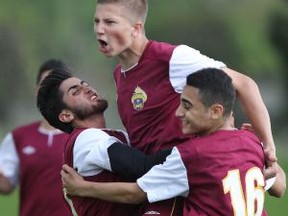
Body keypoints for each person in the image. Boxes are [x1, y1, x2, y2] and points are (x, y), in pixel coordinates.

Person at [60, 68, 286, 215]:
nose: (178, 113)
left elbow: (137, 192)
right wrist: (263, 151)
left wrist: (85, 188)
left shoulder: (192, 155)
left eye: (187, 105)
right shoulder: (249, 141)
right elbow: (280, 187)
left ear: (216, 111)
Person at [94, 0, 277, 173]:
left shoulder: (172, 58)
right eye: (97, 21)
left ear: (136, 28)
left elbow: (244, 84)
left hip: (192, 181)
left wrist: (267, 145)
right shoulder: (119, 74)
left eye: (110, 22)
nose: (99, 30)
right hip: (158, 183)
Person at [36, 69, 175, 216]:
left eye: (85, 84)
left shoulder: (116, 135)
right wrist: (193, 148)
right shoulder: (85, 139)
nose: (87, 89)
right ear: (66, 115)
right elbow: (143, 167)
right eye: (75, 92)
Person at [0, 59, 72, 216]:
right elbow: (6, 186)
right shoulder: (18, 137)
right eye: (44, 85)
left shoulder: (81, 137)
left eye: (56, 86)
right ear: (36, 90)